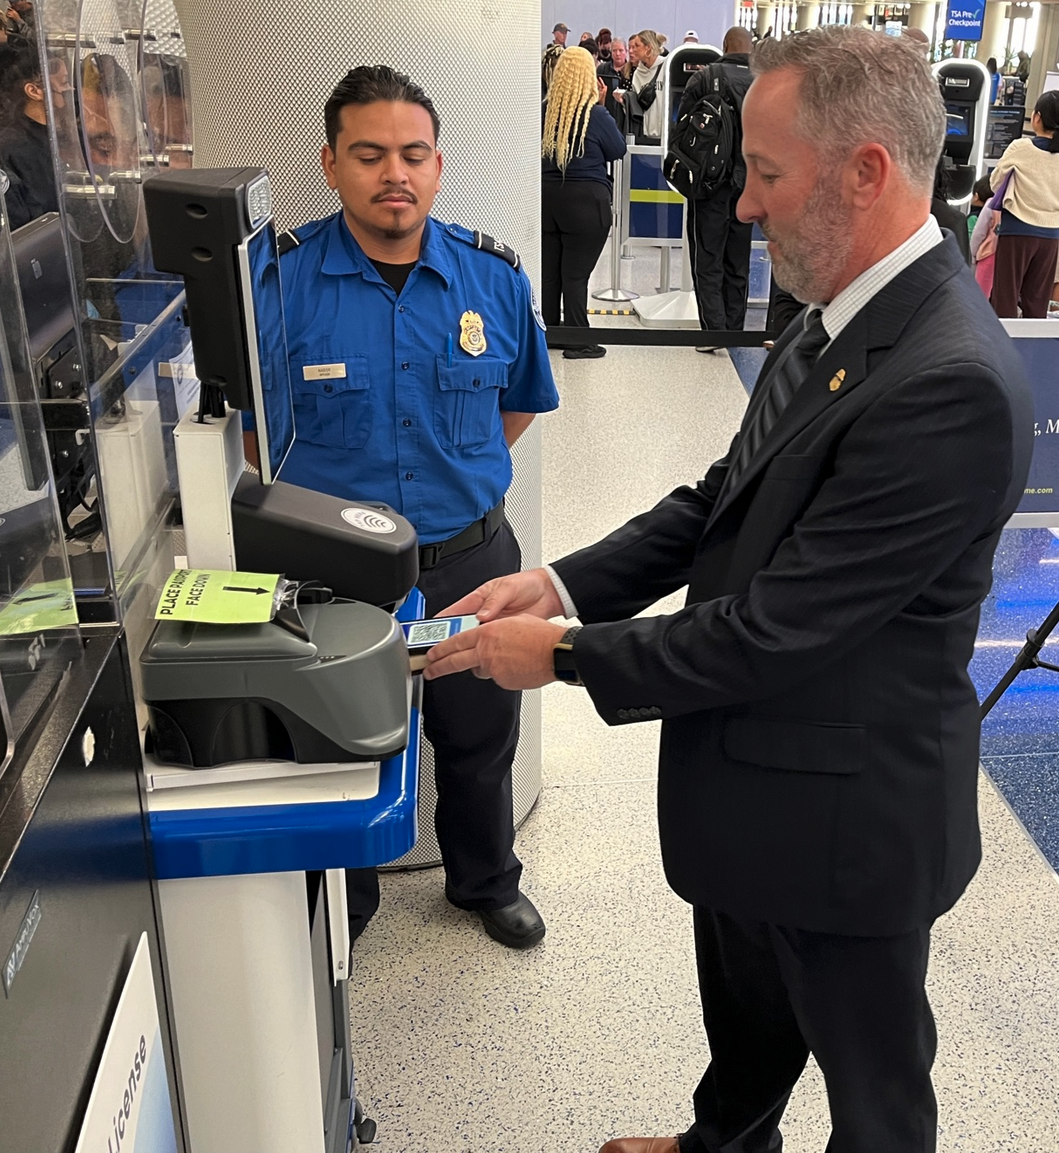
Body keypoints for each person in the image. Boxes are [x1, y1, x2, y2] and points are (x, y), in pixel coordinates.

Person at [422, 26, 1033, 1153]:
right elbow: (718, 502)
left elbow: (774, 631)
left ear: (865, 171)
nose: (743, 206)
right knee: (747, 1036)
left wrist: (560, 655)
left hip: (850, 829)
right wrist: (553, 582)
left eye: (765, 174)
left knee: (875, 1101)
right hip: (754, 792)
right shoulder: (833, 315)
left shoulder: (946, 380)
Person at [266, 65, 559, 951]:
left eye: (413, 154)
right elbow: (249, 433)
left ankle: (484, 881)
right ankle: (346, 907)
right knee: (339, 751)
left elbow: (514, 405)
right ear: (330, 164)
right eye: (369, 154)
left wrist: (452, 481)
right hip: (336, 575)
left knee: (480, 740)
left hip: (470, 559)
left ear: (437, 165)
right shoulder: (281, 287)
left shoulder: (493, 280)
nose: (394, 173)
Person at [542, 46, 626, 360]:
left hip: (548, 199)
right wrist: (603, 106)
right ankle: (578, 339)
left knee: (550, 273)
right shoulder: (596, 113)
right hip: (586, 202)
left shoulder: (545, 110)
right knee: (575, 275)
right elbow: (617, 150)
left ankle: (549, 331)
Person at [680, 26, 755, 348]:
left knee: (707, 258)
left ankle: (713, 333)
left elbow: (683, 130)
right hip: (749, 187)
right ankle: (734, 331)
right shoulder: (765, 82)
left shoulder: (705, 78)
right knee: (738, 261)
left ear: (725, 46)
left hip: (710, 186)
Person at [988, 90, 1059, 318]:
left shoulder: (1020, 148)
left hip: (1017, 231)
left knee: (1005, 298)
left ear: (1036, 117)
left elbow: (995, 183)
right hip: (1051, 236)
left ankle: (1003, 349)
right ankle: (1031, 350)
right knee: (1037, 301)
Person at [0, 43, 70, 227]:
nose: (70, 89)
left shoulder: (62, 135)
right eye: (65, 82)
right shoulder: (12, 149)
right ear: (34, 91)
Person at [616, 30, 664, 142]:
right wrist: (625, 101)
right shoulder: (637, 73)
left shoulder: (667, 67)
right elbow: (637, 107)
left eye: (637, 46)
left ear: (648, 47)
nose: (632, 50)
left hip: (665, 134)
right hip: (644, 134)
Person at [597, 38, 631, 131]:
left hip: (625, 120)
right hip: (606, 114)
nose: (618, 54)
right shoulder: (602, 69)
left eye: (621, 50)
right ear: (611, 52)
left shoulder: (632, 70)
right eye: (614, 51)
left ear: (626, 51)